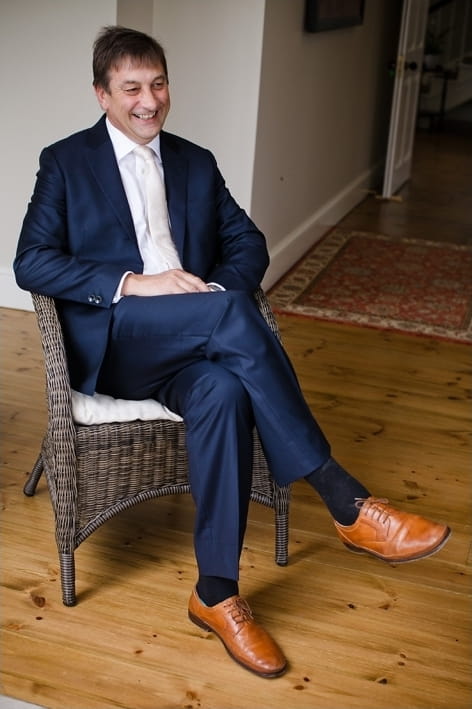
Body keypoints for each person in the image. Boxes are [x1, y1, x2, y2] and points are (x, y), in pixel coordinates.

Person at [14, 26, 451, 679]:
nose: (149, 100)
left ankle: (216, 592)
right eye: (131, 88)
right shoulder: (67, 161)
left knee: (221, 387)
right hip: (118, 338)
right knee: (232, 314)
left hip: (193, 336)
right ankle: (344, 499)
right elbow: (32, 261)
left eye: (158, 83)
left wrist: (210, 293)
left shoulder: (194, 160)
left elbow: (248, 245)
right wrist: (135, 282)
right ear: (102, 94)